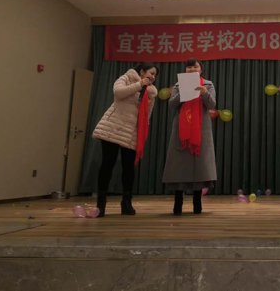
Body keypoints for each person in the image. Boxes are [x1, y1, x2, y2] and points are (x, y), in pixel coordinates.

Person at [92, 63, 159, 217]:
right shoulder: (127, 78)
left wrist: (142, 133)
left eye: (155, 75)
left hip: (131, 132)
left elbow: (146, 116)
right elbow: (118, 93)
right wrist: (139, 84)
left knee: (129, 168)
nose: (153, 77)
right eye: (151, 73)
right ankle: (101, 204)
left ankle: (126, 203)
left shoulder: (151, 92)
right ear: (142, 71)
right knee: (107, 164)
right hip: (112, 127)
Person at [162, 59, 217, 215]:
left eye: (195, 66)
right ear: (185, 70)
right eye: (189, 67)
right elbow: (172, 105)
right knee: (179, 166)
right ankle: (177, 203)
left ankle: (197, 203)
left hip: (201, 130)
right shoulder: (178, 85)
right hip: (181, 130)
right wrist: (183, 93)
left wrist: (204, 93)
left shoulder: (208, 85)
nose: (192, 69)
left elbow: (212, 105)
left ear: (201, 70)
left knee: (200, 166)